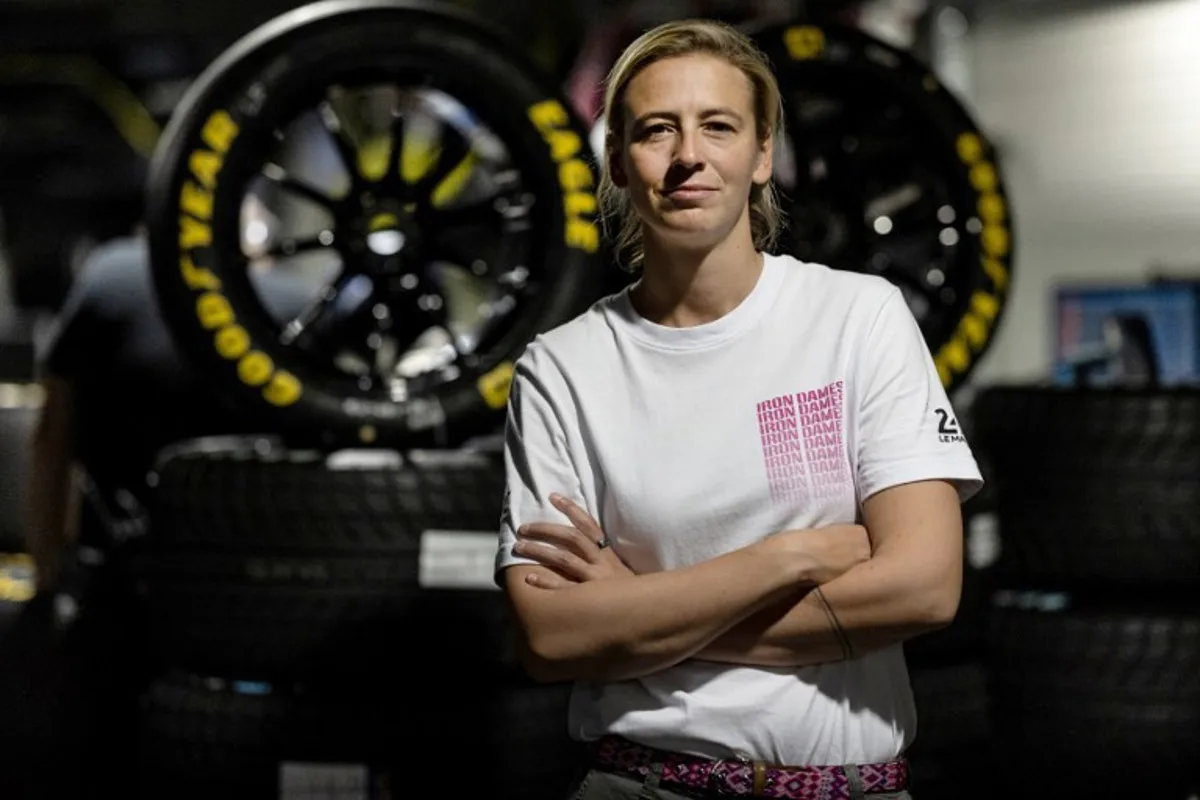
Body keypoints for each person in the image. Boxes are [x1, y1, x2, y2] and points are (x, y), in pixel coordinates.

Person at [494, 18, 983, 800]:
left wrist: (642, 621)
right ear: (617, 160)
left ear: (761, 155)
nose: (690, 155)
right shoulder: (563, 370)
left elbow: (924, 585)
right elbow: (552, 639)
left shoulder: (859, 317)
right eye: (657, 130)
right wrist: (786, 559)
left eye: (718, 126)